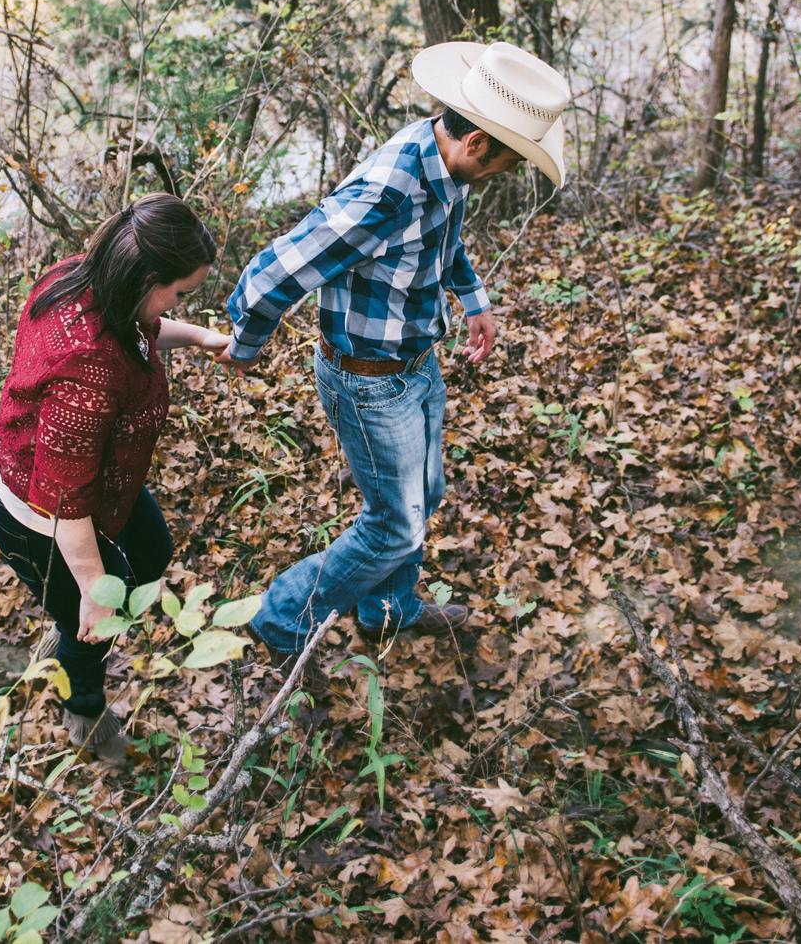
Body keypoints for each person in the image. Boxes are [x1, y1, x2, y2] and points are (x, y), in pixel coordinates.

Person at [219, 41, 571, 679]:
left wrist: (473, 300)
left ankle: (388, 608)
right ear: (478, 145)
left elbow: (446, 237)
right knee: (394, 527)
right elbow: (276, 269)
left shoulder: (445, 161)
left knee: (424, 495)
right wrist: (244, 346)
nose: (505, 176)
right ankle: (280, 620)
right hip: (368, 383)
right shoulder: (390, 189)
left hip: (415, 363)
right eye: (508, 164)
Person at [0, 194, 231, 762]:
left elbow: (140, 326)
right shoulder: (88, 369)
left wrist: (196, 336)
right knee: (97, 621)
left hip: (92, 482)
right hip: (41, 514)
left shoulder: (84, 276)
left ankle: (72, 634)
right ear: (147, 278)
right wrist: (97, 598)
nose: (178, 303)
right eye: (179, 293)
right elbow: (65, 506)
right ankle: (86, 714)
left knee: (151, 551)